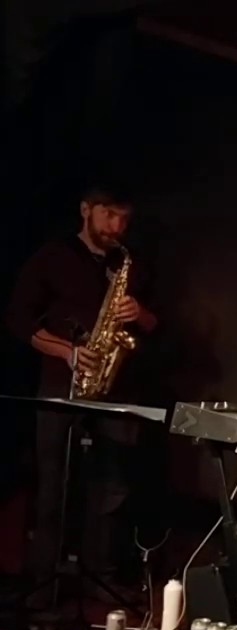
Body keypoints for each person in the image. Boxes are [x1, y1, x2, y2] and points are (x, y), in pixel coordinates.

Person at [5, 181, 158, 602]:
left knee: (112, 489)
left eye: (124, 219)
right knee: (54, 487)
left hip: (115, 389)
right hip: (62, 385)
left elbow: (155, 325)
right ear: (86, 209)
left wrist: (140, 313)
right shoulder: (52, 257)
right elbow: (18, 320)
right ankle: (44, 587)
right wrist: (67, 352)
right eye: (109, 215)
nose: (117, 227)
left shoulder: (129, 262)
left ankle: (99, 578)